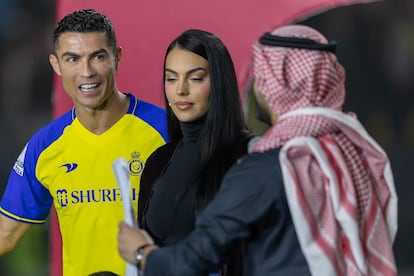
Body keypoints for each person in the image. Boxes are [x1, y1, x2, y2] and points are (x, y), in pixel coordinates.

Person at [117, 24, 398, 275]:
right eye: (171, 78)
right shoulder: (347, 153)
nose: (257, 86)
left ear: (275, 86)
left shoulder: (262, 165)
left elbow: (194, 258)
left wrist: (141, 254)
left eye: (262, 77)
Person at [0, 8, 168, 276]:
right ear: (56, 64)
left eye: (98, 57)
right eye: (73, 59)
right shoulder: (44, 147)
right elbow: (4, 236)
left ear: (117, 58)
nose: (86, 71)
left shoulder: (166, 131)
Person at [136, 29, 253, 275]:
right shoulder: (159, 161)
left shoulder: (250, 156)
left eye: (196, 78)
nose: (181, 90)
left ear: (219, 83)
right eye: (171, 78)